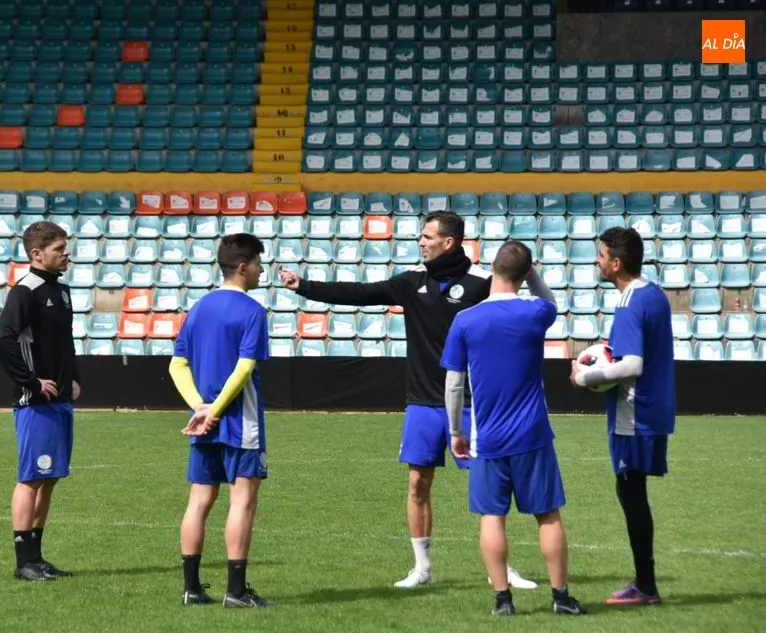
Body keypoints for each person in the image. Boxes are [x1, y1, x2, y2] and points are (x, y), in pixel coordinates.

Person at [279, 211, 537, 590]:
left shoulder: (483, 283)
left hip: (472, 402)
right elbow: (360, 293)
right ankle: (422, 568)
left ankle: (501, 567)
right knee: (417, 483)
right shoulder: (411, 282)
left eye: (427, 236)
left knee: (488, 482)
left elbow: (512, 319)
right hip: (422, 402)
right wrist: (303, 286)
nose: (421, 242)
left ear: (448, 242)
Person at [441, 241, 586, 617]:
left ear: (492, 267)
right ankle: (560, 597)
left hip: (488, 438)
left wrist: (455, 430)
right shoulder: (535, 312)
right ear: (524, 275)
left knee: (492, 517)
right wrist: (530, 271)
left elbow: (454, 384)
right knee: (548, 515)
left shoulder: (465, 320)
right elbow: (550, 300)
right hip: (533, 434)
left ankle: (503, 601)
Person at [168, 233, 276, 608]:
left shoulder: (199, 307)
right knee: (242, 501)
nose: (262, 271)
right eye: (259, 264)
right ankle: (236, 591)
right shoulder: (252, 311)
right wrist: (214, 410)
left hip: (202, 423)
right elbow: (244, 367)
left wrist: (200, 407)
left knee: (199, 501)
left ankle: (191, 589)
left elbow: (177, 364)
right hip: (238, 421)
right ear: (243, 267)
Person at [570, 227, 675, 606]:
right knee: (633, 490)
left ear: (615, 263)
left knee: (630, 491)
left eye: (601, 256)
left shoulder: (630, 303)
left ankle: (646, 587)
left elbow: (632, 364)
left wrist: (585, 377)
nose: (597, 261)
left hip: (635, 411)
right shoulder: (653, 293)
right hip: (653, 407)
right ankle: (644, 583)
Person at [0, 221, 81, 582]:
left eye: (65, 246)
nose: (66, 252)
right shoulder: (25, 291)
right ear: (37, 254)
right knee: (31, 477)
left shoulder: (62, 291)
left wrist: (74, 378)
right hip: (35, 403)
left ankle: (37, 557)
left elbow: (66, 340)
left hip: (60, 400)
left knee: (50, 478)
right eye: (59, 248)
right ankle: (22, 562)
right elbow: (2, 339)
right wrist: (30, 381)